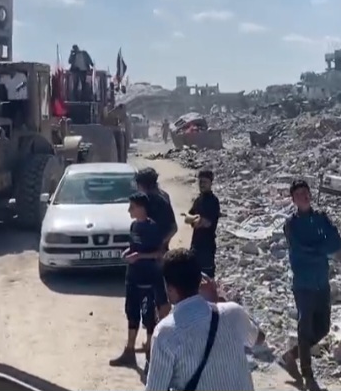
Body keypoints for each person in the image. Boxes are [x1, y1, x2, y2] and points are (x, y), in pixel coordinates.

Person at [145, 248, 260, 391]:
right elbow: (258, 337)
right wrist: (219, 300)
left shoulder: (166, 332)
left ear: (170, 288)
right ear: (200, 280)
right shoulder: (233, 312)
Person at [278, 179, 341, 391]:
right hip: (303, 283)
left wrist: (315, 250)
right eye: (299, 194)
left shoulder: (321, 218)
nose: (304, 196)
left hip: (321, 281)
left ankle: (291, 355)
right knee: (304, 327)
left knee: (323, 328)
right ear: (293, 200)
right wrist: (321, 249)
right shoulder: (291, 224)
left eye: (306, 192)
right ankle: (307, 375)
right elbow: (299, 250)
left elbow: (337, 242)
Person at [109, 192, 162, 368]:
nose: (129, 210)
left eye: (132, 207)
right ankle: (129, 351)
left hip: (147, 279)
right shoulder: (134, 226)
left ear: (141, 208)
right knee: (131, 313)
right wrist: (128, 252)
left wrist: (140, 256)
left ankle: (150, 353)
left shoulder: (153, 228)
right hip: (132, 277)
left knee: (148, 316)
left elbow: (159, 253)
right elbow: (133, 246)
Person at [135, 167, 177, 321]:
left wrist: (159, 245)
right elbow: (173, 228)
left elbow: (172, 228)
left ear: (142, 184)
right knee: (159, 292)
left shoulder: (152, 201)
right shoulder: (163, 196)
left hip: (153, 255)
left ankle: (158, 327)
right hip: (158, 252)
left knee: (157, 293)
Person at [185, 169, 221, 278]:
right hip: (195, 245)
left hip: (207, 247)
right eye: (200, 182)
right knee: (193, 276)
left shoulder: (213, 201)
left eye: (205, 182)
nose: (202, 184)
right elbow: (187, 218)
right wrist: (196, 218)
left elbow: (205, 223)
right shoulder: (198, 200)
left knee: (207, 278)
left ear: (211, 183)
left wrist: (195, 220)